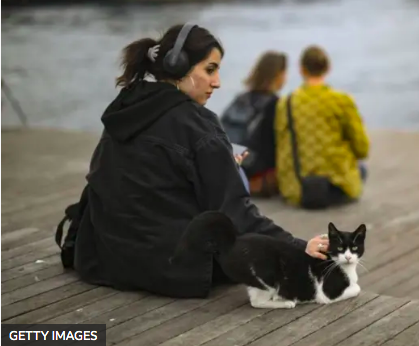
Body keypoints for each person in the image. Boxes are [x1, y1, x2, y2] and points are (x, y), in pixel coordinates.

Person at [59, 24, 328, 299]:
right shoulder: (199, 125)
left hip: (103, 258)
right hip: (168, 268)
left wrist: (221, 163)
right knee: (239, 230)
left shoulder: (126, 107)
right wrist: (298, 247)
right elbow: (236, 212)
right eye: (210, 69)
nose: (218, 82)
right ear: (179, 67)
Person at [275, 45, 369, 208]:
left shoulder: (286, 102)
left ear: (302, 70)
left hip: (298, 189)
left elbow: (280, 142)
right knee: (362, 170)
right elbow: (362, 149)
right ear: (328, 68)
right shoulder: (341, 100)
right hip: (339, 188)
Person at [221, 51, 287, 197]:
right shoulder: (275, 103)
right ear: (279, 75)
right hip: (254, 167)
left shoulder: (241, 99)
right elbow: (274, 146)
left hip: (229, 160)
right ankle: (258, 182)